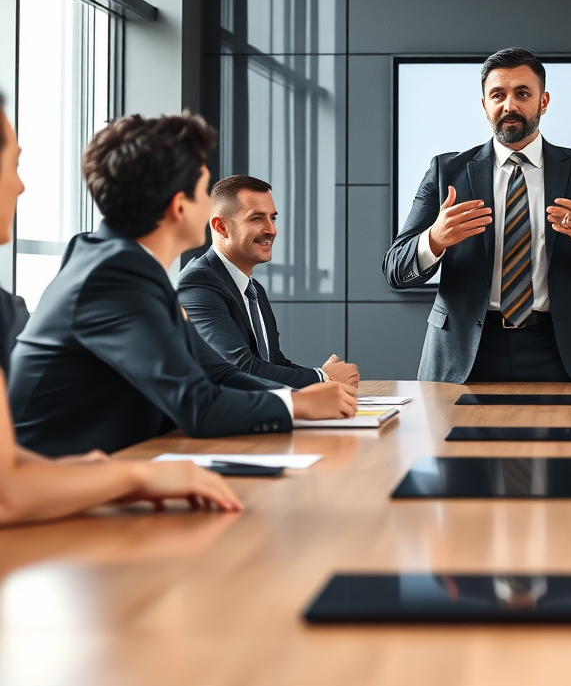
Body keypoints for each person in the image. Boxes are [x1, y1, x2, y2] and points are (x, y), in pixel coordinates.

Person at [9, 112, 357, 457]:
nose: (210, 204)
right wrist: (296, 406)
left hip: (113, 466)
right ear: (179, 206)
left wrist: (300, 399)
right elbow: (196, 405)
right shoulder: (111, 277)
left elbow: (220, 374)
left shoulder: (127, 268)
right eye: (204, 190)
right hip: (54, 490)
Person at [0, 96, 241, 523]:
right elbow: (6, 495)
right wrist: (134, 477)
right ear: (179, 204)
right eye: (13, 164)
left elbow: (9, 473)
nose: (21, 185)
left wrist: (81, 473)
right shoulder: (116, 273)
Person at [383, 47, 571, 383]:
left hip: (564, 352)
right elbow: (396, 269)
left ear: (543, 102)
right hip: (466, 352)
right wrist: (434, 241)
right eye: (497, 95)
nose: (509, 105)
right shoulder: (446, 172)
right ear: (484, 105)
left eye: (522, 93)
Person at [177, 174, 359, 389]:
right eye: (256, 218)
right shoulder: (198, 283)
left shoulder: (253, 290)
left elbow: (273, 363)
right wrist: (322, 378)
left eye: (272, 218)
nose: (271, 230)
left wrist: (322, 380)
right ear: (221, 227)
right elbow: (240, 368)